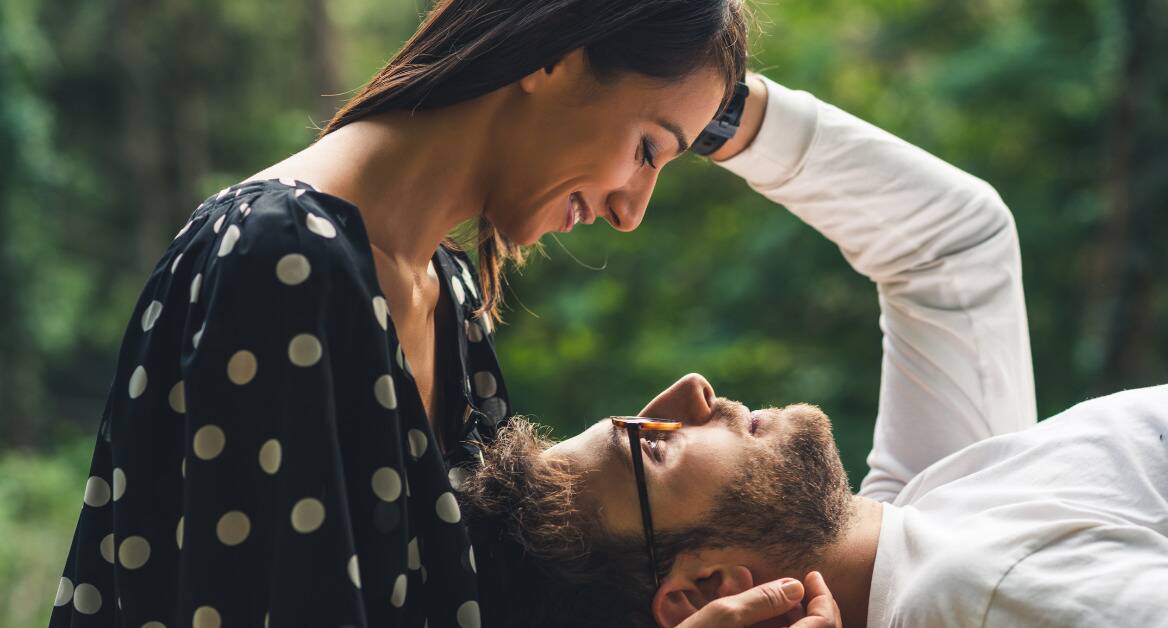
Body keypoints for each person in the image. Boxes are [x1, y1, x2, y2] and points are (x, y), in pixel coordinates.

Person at [49, 1, 754, 626]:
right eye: (647, 149)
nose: (632, 211)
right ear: (555, 60)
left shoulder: (449, 296)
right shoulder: (280, 259)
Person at [460, 72, 1168, 627]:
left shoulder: (919, 521)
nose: (692, 391)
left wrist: (697, 101)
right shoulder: (983, 592)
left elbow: (952, 252)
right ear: (705, 587)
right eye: (652, 447)